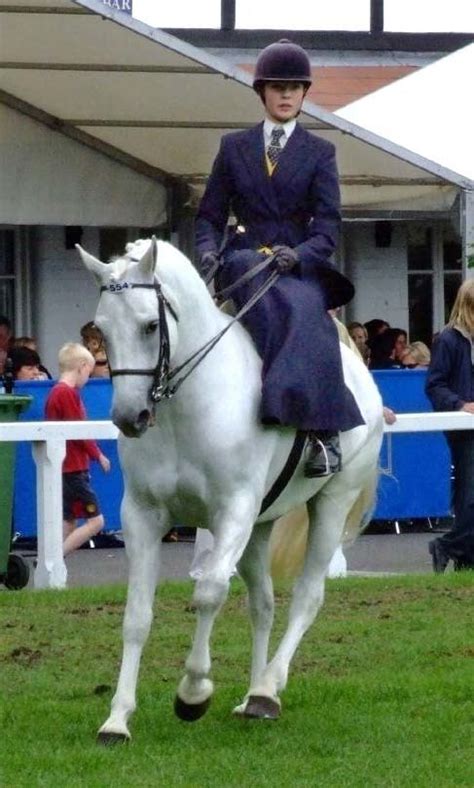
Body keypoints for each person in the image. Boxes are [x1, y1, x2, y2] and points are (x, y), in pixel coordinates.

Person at [195, 39, 363, 477]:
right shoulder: (233, 148)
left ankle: (323, 435)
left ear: (304, 93)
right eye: (277, 87)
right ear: (262, 92)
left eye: (294, 88)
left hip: (296, 264)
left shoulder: (320, 153)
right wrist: (208, 252)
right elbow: (209, 215)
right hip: (243, 262)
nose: (286, 95)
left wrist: (300, 254)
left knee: (311, 317)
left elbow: (327, 228)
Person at [44, 342, 111, 556]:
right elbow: (79, 431)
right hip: (73, 470)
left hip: (66, 468)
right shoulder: (67, 394)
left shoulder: (58, 393)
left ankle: (50, 560)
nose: (88, 379)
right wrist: (98, 455)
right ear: (82, 366)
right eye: (88, 373)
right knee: (96, 521)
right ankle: (54, 557)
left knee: (69, 522)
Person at [425, 281, 474, 572]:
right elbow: (435, 385)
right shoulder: (449, 340)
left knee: (469, 497)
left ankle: (464, 555)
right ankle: (447, 546)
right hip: (463, 427)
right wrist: (459, 404)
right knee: (470, 497)